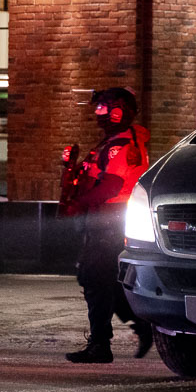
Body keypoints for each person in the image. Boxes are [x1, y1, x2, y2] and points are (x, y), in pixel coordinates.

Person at [63, 87, 153, 364]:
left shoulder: (121, 146)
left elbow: (111, 185)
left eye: (106, 109)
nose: (100, 115)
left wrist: (80, 203)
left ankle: (102, 343)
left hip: (110, 219)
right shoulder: (112, 143)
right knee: (105, 279)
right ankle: (138, 325)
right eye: (99, 109)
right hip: (106, 218)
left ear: (120, 111)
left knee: (94, 278)